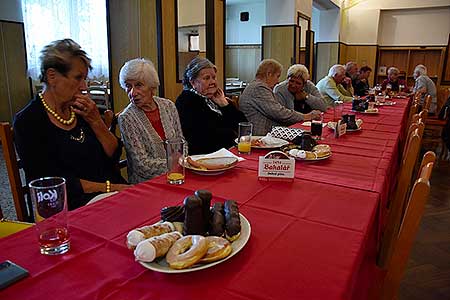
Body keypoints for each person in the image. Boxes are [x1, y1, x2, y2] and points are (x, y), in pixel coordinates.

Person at [14, 39, 128, 210]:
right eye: (78, 78)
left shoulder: (82, 109)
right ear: (52, 76)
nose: (84, 87)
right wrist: (112, 188)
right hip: (67, 205)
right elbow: (53, 181)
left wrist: (96, 122)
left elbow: (113, 154)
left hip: (109, 196)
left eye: (85, 79)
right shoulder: (29, 121)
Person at [118, 58, 185, 184]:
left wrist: (181, 161)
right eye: (128, 86)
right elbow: (142, 166)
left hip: (177, 176)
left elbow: (181, 143)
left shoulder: (168, 106)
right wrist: (178, 162)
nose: (132, 92)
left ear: (151, 86)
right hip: (147, 183)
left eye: (138, 85)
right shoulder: (126, 118)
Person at [176, 57, 247, 155]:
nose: (213, 82)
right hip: (205, 158)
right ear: (193, 82)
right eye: (206, 78)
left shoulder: (215, 98)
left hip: (228, 153)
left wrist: (224, 104)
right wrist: (231, 134)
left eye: (214, 77)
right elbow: (205, 137)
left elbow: (244, 127)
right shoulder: (187, 101)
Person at [239, 59, 321, 136]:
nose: (278, 81)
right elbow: (279, 113)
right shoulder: (259, 88)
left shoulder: (256, 86)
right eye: (277, 76)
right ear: (269, 74)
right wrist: (306, 116)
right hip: (259, 136)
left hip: (268, 132)